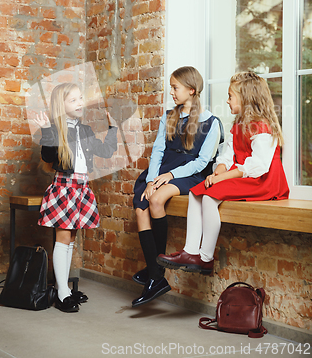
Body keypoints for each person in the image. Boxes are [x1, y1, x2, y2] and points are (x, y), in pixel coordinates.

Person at [157, 72, 289, 275]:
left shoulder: (262, 126)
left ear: (245, 98)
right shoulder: (238, 124)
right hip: (242, 177)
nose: (227, 101)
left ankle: (206, 258)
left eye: (230, 96)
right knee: (196, 191)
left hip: (262, 181)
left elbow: (258, 166)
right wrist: (217, 172)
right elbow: (228, 156)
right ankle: (190, 251)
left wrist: (222, 178)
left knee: (209, 197)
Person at [132, 66, 221, 307]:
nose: (171, 92)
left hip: (190, 173)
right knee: (141, 205)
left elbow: (202, 162)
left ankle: (154, 272)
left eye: (175, 88)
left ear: (191, 91)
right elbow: (158, 150)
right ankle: (155, 272)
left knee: (156, 200)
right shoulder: (168, 116)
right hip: (163, 171)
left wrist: (170, 175)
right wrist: (151, 179)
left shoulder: (211, 122)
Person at [34, 83, 117, 313]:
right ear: (61, 106)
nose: (80, 103)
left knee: (70, 240)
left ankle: (65, 289)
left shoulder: (86, 130)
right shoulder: (56, 129)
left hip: (81, 188)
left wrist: (113, 128)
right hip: (63, 188)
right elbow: (48, 156)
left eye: (81, 98)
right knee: (62, 239)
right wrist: (46, 131)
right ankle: (61, 293)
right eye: (73, 100)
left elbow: (105, 151)